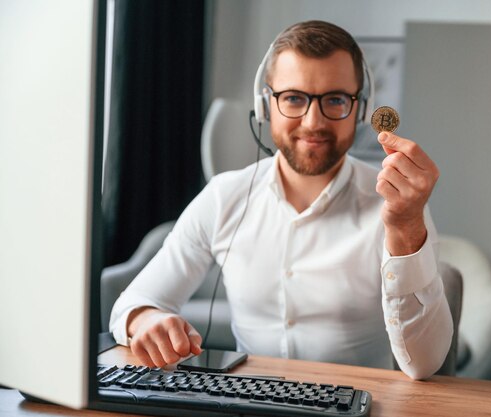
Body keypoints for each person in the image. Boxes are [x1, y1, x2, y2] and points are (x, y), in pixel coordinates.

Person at [110, 20, 452, 380]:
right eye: (293, 98)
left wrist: (406, 228)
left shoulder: (400, 205)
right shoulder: (224, 197)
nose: (312, 121)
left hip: (358, 404)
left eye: (335, 100)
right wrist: (146, 319)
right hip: (247, 402)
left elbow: (425, 364)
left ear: (361, 109)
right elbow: (130, 307)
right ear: (265, 106)